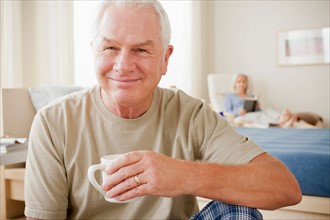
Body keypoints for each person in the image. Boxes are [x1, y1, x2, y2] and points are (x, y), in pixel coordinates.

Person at [24, 1, 301, 219]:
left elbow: (284, 188)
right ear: (94, 51)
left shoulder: (191, 114)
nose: (123, 65)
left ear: (165, 59)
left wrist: (181, 175)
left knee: (241, 212)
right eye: (110, 47)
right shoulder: (52, 122)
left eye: (142, 51)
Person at [224, 73, 323, 128]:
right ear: (235, 83)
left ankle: (281, 118)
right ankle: (282, 123)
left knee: (267, 110)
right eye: (239, 82)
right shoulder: (230, 96)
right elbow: (227, 113)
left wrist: (257, 106)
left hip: (255, 112)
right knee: (260, 115)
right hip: (244, 115)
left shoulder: (250, 95)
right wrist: (239, 112)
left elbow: (260, 110)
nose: (242, 84)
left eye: (244, 82)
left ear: (247, 83)